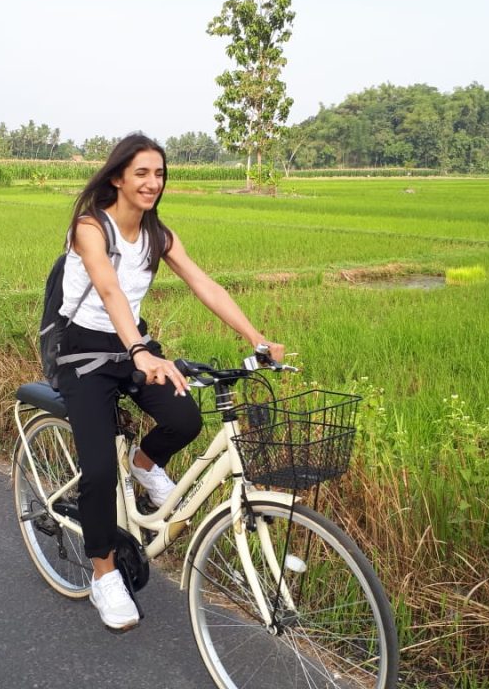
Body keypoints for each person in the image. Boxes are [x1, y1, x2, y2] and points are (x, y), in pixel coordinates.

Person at [55, 133, 284, 631]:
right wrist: (139, 350)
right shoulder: (91, 227)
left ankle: (143, 463)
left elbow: (204, 283)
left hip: (130, 344)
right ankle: (103, 575)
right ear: (117, 177)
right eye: (141, 173)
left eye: (159, 174)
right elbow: (109, 288)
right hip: (83, 351)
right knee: (96, 470)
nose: (152, 183)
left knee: (185, 416)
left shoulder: (159, 234)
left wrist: (256, 336)